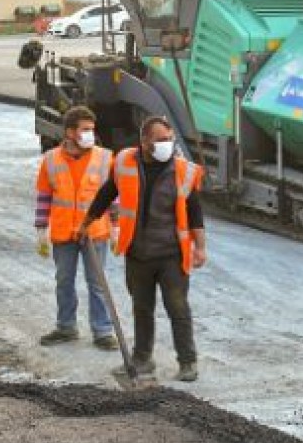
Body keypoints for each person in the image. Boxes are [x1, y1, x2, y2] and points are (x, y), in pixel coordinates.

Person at [79, 115, 207, 381]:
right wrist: (86, 223)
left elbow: (195, 213)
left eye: (170, 139)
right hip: (138, 253)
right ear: (144, 141)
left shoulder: (183, 171)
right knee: (142, 308)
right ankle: (142, 359)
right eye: (161, 140)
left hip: (171, 255)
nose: (167, 144)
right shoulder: (125, 162)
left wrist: (200, 247)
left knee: (178, 308)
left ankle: (188, 362)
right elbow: (107, 193)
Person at [34, 106, 117, 350]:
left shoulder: (105, 158)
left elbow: (114, 197)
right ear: (70, 132)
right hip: (64, 232)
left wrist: (116, 227)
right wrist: (41, 228)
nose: (91, 134)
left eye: (92, 129)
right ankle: (66, 327)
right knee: (64, 281)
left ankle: (103, 331)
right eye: (85, 129)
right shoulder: (51, 159)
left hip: (94, 232)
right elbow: (44, 196)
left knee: (97, 283)